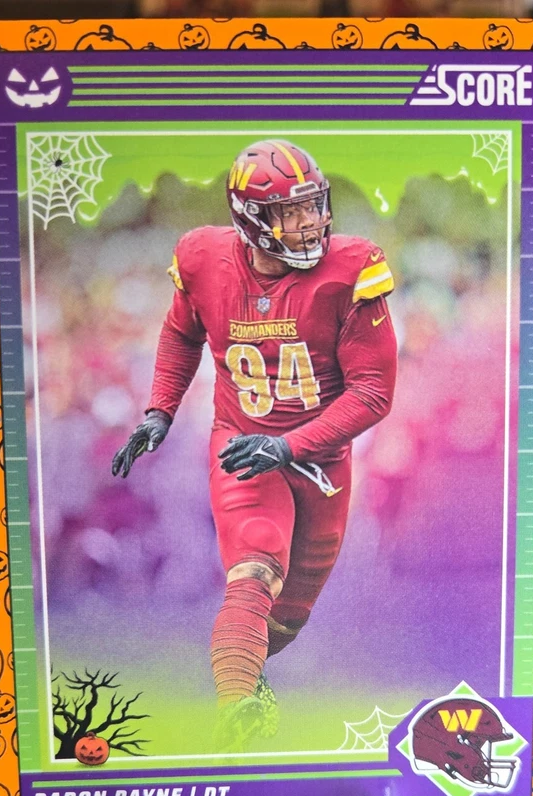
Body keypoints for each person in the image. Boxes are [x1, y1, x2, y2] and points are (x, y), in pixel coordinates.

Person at [112, 139, 398, 749]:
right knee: (255, 566)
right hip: (243, 443)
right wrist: (160, 410)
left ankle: (251, 676)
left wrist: (292, 445)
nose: (310, 222)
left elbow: (373, 393)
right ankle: (234, 711)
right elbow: (180, 333)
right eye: (290, 212)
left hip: (321, 457)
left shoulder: (350, 270)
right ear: (250, 217)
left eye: (313, 205)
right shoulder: (204, 259)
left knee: (288, 616)